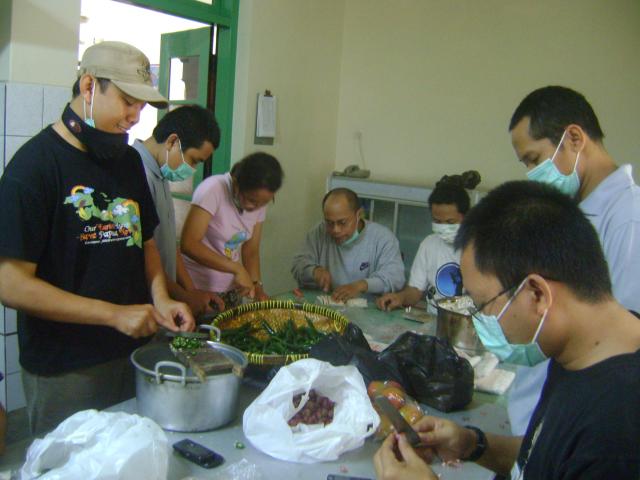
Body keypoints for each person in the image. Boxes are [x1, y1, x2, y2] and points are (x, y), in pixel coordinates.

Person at [374, 180, 640, 480]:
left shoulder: (620, 429)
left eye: (483, 305)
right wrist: (471, 444)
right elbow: (546, 458)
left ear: (537, 294)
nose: (480, 320)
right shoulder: (581, 350)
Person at [0, 41, 194, 435]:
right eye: (127, 101)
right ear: (89, 87)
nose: (134, 117)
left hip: (132, 354)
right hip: (67, 369)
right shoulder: (34, 168)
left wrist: (160, 298)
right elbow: (11, 285)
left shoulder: (125, 163)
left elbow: (145, 244)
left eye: (141, 107)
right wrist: (113, 314)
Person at [505, 85, 640, 435]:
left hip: (578, 414)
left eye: (534, 160)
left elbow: (623, 339)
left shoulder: (629, 218)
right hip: (541, 411)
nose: (531, 173)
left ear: (575, 138)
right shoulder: (578, 212)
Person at [133, 105, 224, 318]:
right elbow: (142, 256)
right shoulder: (137, 174)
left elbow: (169, 245)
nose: (192, 169)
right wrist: (183, 296)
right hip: (144, 304)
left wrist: (191, 292)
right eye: (193, 160)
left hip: (166, 300)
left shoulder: (161, 173)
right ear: (173, 142)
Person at [180, 152, 283, 306]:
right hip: (197, 287)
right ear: (236, 184)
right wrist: (236, 268)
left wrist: (257, 287)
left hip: (230, 289)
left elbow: (251, 251)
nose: (257, 207)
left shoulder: (259, 201)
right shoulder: (213, 189)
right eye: (252, 201)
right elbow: (189, 244)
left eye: (264, 203)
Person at [376, 173, 479, 313]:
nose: (443, 227)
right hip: (435, 323)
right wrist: (400, 297)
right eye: (437, 221)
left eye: (450, 222)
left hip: (468, 325)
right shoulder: (429, 245)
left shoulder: (481, 248)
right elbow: (415, 291)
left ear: (466, 217)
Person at [291, 188, 405, 302]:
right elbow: (298, 264)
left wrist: (361, 285)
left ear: (359, 214)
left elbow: (396, 278)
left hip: (368, 312)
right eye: (329, 223)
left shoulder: (382, 238)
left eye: (342, 222)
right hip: (327, 308)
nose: (335, 230)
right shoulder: (319, 232)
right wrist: (314, 271)